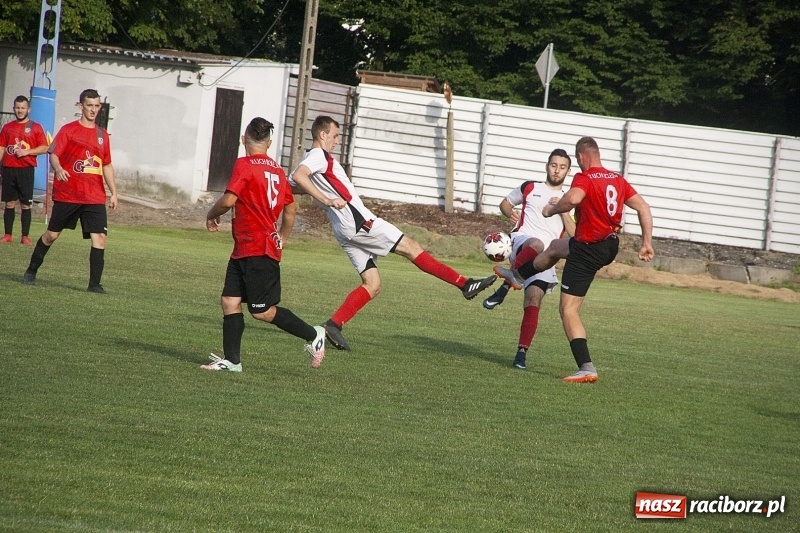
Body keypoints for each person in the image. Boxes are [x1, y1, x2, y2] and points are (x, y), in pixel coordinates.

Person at [289, 115, 497, 351]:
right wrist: (326, 199)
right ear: (323, 135)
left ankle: (333, 325)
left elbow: (293, 186)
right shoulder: (318, 156)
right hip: (360, 223)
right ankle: (464, 284)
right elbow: (298, 178)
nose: (336, 141)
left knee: (373, 284)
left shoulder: (309, 158)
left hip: (343, 230)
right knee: (412, 246)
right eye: (335, 136)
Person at [495, 136, 653, 383]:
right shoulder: (617, 179)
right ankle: (517, 275)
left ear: (580, 157)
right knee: (555, 248)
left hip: (588, 249)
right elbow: (643, 207)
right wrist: (646, 243)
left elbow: (573, 198)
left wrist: (552, 210)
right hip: (608, 244)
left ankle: (586, 367)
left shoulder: (585, 177)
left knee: (568, 310)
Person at [202, 117, 326, 372]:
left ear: (242, 140)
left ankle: (313, 334)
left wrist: (211, 214)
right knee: (229, 300)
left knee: (261, 311)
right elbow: (291, 207)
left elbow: (228, 201)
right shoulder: (278, 171)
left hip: (258, 249)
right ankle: (232, 362)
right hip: (245, 248)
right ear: (269, 143)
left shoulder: (244, 165)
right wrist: (284, 236)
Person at [483, 149, 576, 371]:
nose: (557, 170)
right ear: (547, 165)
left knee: (533, 300)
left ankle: (521, 354)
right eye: (554, 165)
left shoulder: (571, 199)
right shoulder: (530, 187)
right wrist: (510, 213)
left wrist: (562, 210)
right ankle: (506, 286)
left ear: (568, 171)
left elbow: (574, 234)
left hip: (547, 258)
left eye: (562, 167)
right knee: (536, 244)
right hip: (523, 242)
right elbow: (505, 203)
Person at [22, 89, 118, 293]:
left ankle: (94, 285)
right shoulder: (68, 130)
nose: (93, 109)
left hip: (94, 196)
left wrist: (114, 193)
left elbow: (107, 165)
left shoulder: (102, 135)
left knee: (99, 238)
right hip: (69, 194)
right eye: (89, 105)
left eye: (97, 105)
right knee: (51, 235)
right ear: (80, 106)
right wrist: (58, 168)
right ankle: (31, 270)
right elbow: (54, 154)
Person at [0, 95, 50, 245]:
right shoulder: (7, 128)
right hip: (9, 169)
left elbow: (45, 147)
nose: (20, 110)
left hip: (26, 170)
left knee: (25, 204)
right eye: (17, 108)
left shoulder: (36, 127)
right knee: (9, 203)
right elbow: (2, 147)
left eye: (23, 108)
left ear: (28, 109)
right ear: (14, 109)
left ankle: (25, 236)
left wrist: (26, 152)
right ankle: (7, 234)